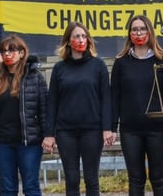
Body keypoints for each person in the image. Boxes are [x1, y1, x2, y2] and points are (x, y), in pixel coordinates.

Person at [43, 22, 114, 196]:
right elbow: (52, 102)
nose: (80, 40)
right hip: (66, 131)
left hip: (92, 130)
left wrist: (107, 128)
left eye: (83, 36)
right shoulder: (59, 68)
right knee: (72, 179)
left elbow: (106, 99)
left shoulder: (98, 66)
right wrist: (49, 133)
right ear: (68, 41)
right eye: (76, 36)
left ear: (88, 40)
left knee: (92, 179)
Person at [111, 15, 163, 196]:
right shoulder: (121, 62)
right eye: (134, 29)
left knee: (159, 178)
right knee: (135, 179)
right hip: (130, 131)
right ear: (129, 33)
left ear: (150, 31)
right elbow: (114, 97)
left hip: (159, 129)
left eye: (142, 28)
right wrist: (111, 127)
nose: (138, 32)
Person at [0, 35, 48, 196]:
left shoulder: (35, 77)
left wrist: (48, 136)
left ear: (22, 53)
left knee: (31, 186)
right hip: (3, 143)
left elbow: (44, 110)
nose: (7, 54)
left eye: (12, 50)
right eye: (3, 51)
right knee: (7, 188)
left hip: (29, 143)